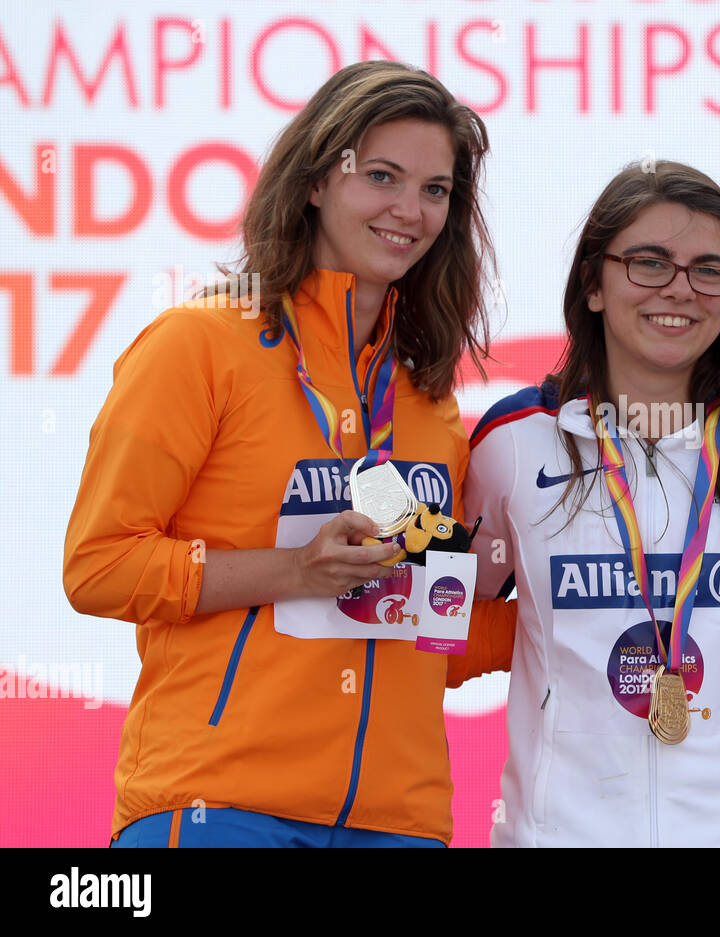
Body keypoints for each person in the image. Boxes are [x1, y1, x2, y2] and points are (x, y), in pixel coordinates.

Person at [63, 61, 515, 847]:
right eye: (382, 176)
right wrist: (294, 570)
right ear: (315, 181)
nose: (410, 210)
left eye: (436, 190)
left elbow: (422, 634)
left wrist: (572, 619)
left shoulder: (430, 403)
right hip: (219, 806)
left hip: (399, 820)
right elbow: (100, 565)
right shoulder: (198, 347)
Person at [464, 161, 720, 846]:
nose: (679, 290)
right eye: (649, 263)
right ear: (593, 284)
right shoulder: (513, 441)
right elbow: (448, 621)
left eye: (708, 269)